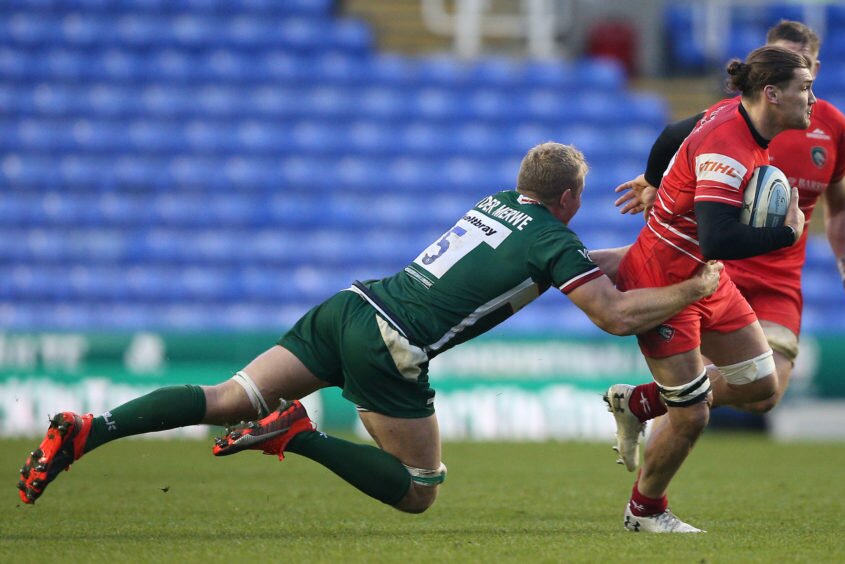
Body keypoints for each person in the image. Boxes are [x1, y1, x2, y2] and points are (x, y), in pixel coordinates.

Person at [17, 142, 724, 513]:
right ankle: (301, 435)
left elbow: (563, 267)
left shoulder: (499, 205)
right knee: (420, 488)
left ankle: (90, 430)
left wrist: (641, 259)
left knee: (226, 396)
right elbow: (612, 314)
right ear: (570, 198)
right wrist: (693, 285)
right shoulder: (551, 240)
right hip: (392, 344)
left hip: (350, 305)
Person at [607, 21, 845, 481]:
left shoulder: (830, 128)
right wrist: (653, 181)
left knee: (763, 393)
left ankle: (641, 404)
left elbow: (842, 207)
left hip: (776, 281)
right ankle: (645, 499)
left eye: (801, 67)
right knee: (693, 401)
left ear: (815, 67)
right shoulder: (734, 117)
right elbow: (675, 135)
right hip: (716, 268)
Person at [606, 45, 814, 533]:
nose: (812, 98)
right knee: (694, 416)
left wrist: (656, 181)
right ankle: (645, 512)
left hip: (705, 276)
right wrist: (787, 233)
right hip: (667, 280)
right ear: (772, 94)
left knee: (762, 384)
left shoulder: (734, 114)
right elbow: (720, 235)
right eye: (803, 88)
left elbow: (671, 134)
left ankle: (640, 403)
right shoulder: (728, 149)